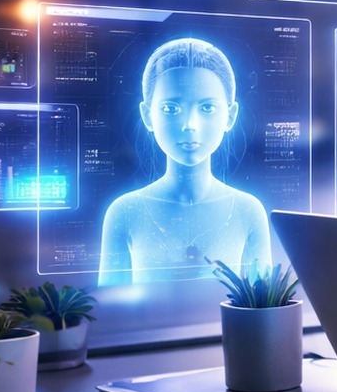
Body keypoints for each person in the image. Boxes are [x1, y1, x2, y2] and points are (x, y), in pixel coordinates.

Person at [99, 37, 271, 285]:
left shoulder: (249, 211)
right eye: (171, 109)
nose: (190, 125)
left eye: (207, 108)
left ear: (230, 115)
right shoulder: (124, 212)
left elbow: (266, 310)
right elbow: (109, 313)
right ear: (147, 115)